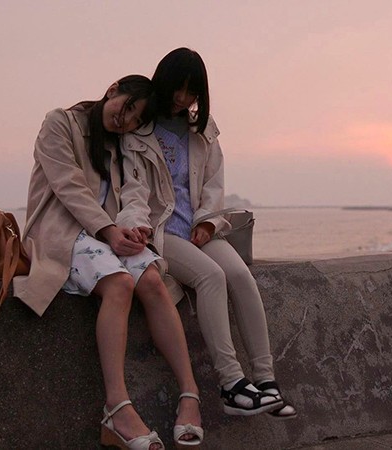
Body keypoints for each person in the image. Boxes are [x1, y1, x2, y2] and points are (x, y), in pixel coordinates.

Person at [13, 75, 203, 449]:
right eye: (128, 107)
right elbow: (68, 186)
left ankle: (190, 394)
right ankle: (117, 409)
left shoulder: (122, 143)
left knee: (152, 278)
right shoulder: (60, 122)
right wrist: (109, 230)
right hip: (62, 233)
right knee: (119, 283)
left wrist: (135, 227)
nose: (126, 120)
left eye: (136, 119)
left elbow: (134, 193)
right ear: (113, 89)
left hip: (109, 234)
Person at [117, 48, 297, 419]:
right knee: (211, 277)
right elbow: (132, 191)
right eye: (178, 88)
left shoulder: (203, 130)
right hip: (162, 231)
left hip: (199, 228)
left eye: (192, 91)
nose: (183, 98)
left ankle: (266, 381)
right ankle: (231, 384)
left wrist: (207, 223)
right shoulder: (139, 133)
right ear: (163, 82)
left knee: (240, 276)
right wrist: (136, 225)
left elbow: (213, 185)